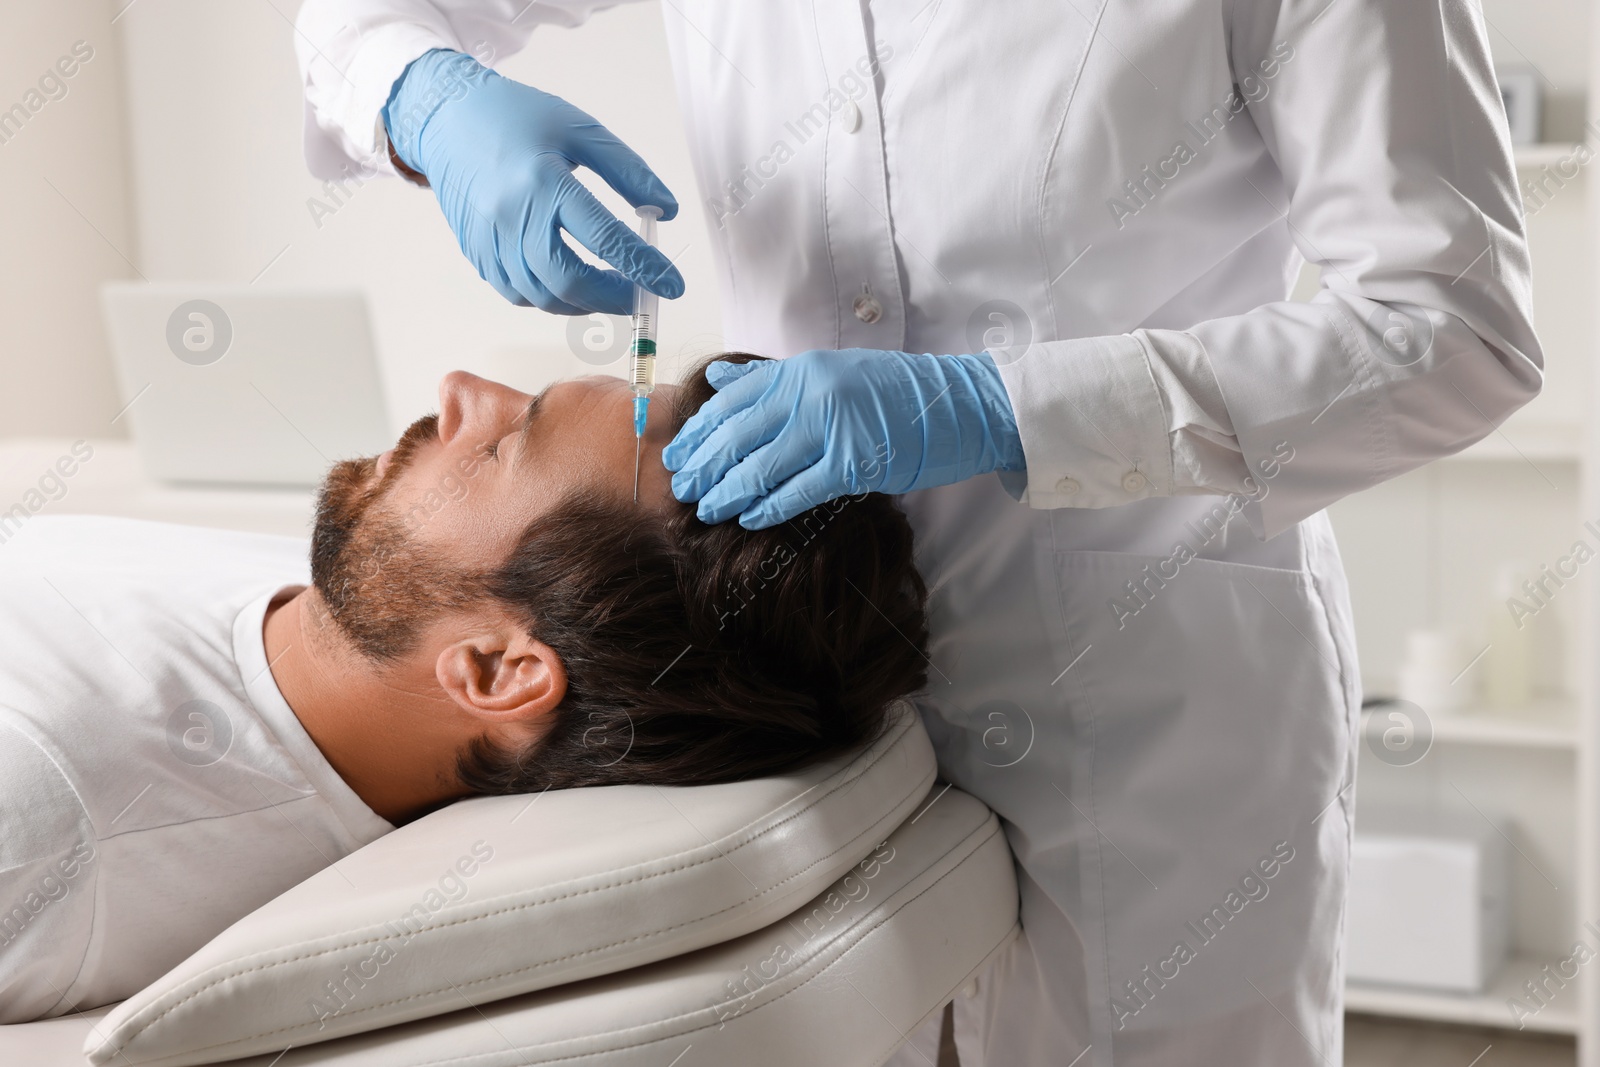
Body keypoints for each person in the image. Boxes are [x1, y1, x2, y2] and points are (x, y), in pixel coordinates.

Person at [294, 4, 1543, 1064]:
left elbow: (1452, 327)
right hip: (779, 695)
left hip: (1145, 686)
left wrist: (1003, 408)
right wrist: (425, 95)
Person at [0, 356, 929, 1024]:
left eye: (499, 449)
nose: (458, 389)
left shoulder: (53, 820)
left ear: (495, 671)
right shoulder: (354, 608)